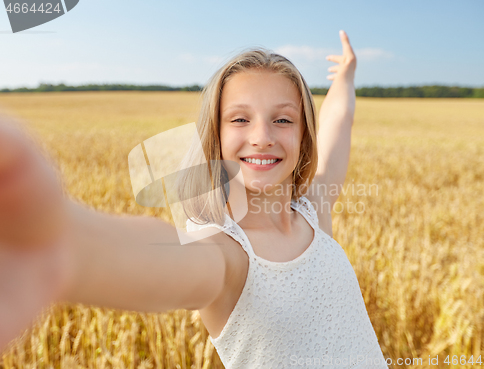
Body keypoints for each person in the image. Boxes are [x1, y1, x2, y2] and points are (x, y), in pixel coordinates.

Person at [0, 30, 388, 368]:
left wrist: (346, 76)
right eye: (240, 119)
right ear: (214, 137)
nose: (262, 136)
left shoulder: (312, 211)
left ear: (304, 135)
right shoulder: (227, 252)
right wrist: (53, 243)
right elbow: (166, 261)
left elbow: (339, 123)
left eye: (283, 119)